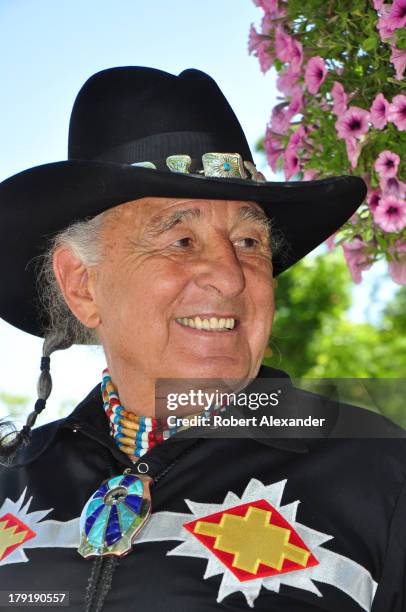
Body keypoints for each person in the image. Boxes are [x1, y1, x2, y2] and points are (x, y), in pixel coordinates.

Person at [0, 66, 405, 612]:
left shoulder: (381, 473)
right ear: (83, 283)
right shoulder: (13, 486)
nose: (232, 276)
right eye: (182, 239)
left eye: (248, 241)